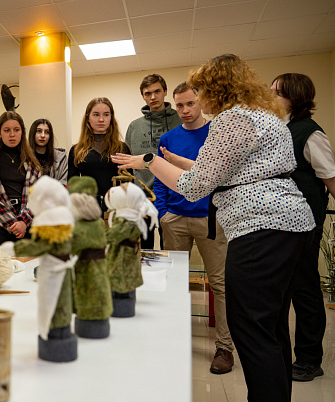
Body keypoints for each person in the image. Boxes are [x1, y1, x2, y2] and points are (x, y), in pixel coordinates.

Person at [112, 54, 315, 402]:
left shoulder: (231, 120)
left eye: (200, 91)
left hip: (259, 227)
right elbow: (230, 171)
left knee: (250, 328)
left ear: (216, 88)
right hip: (293, 223)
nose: (196, 99)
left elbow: (195, 185)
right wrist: (173, 161)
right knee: (273, 327)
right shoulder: (264, 116)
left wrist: (150, 161)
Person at [154, 83, 234, 374]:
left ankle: (224, 347)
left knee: (220, 284)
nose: (185, 111)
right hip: (175, 218)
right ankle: (175, 339)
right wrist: (162, 214)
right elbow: (160, 176)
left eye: (190, 104)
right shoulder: (168, 138)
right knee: (174, 283)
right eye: (179, 106)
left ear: (201, 102)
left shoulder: (217, 133)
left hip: (210, 219)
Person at [272, 73, 333, 382]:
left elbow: (331, 180)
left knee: (305, 292)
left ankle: (310, 358)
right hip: (283, 228)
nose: (270, 98)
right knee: (285, 291)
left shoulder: (309, 133)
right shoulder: (284, 131)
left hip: (305, 227)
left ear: (294, 97)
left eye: (276, 92)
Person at [125, 74, 182, 248]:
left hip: (174, 196)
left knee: (171, 249)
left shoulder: (180, 121)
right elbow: (128, 163)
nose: (153, 97)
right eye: (147, 93)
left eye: (157, 91)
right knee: (143, 251)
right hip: (142, 197)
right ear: (143, 96)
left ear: (165, 92)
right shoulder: (134, 127)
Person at [0, 111, 41, 244]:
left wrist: (23, 222)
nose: (12, 134)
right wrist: (14, 224)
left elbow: (37, 196)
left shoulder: (32, 163)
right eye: (7, 130)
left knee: (29, 263)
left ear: (22, 132)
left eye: (16, 130)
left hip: (26, 222)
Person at [68, 97, 130, 216]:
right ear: (88, 118)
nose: (101, 119)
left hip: (117, 211)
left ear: (111, 118)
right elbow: (72, 187)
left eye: (106, 115)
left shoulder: (122, 149)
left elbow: (129, 184)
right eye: (96, 115)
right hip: (87, 211)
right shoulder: (76, 151)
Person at [28, 118, 68, 186]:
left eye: (47, 132)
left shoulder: (60, 158)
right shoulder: (25, 157)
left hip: (55, 195)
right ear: (33, 133)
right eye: (39, 131)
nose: (43, 135)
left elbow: (63, 183)